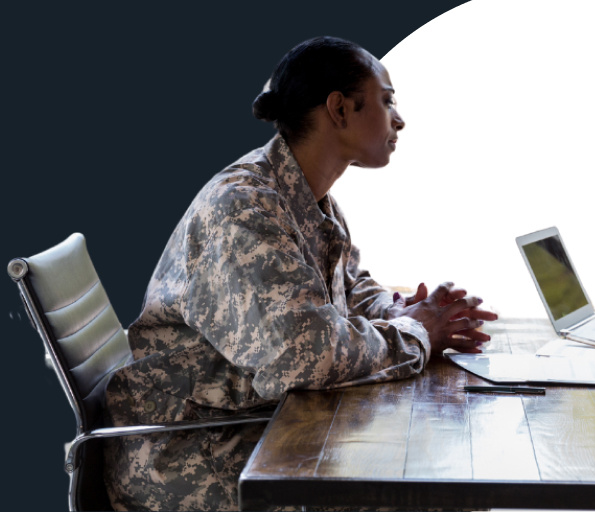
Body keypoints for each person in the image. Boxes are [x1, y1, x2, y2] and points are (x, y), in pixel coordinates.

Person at [102, 36, 498, 511]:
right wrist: (416, 333)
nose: (399, 118)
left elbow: (348, 286)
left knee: (436, 472)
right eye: (386, 100)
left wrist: (402, 310)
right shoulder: (245, 208)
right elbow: (303, 357)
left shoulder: (306, 195)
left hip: (256, 421)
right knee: (424, 491)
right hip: (193, 453)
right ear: (340, 109)